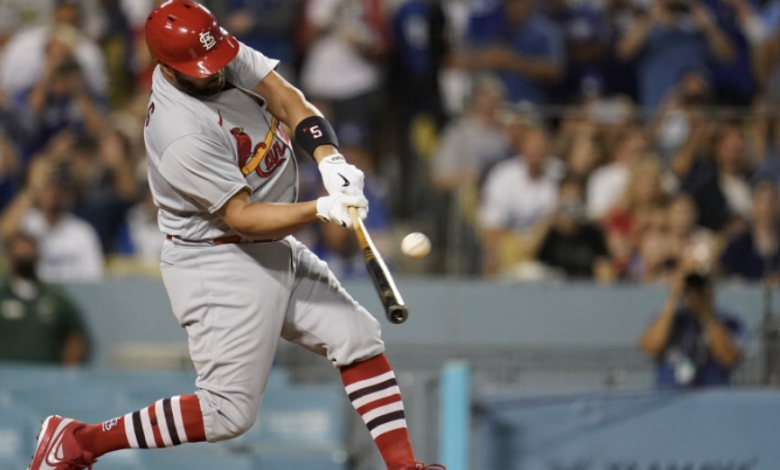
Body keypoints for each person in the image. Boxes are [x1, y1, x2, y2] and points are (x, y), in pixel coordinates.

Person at [26, 4, 443, 470]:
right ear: (166, 67)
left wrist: (330, 160)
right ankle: (80, 441)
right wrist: (320, 209)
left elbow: (287, 99)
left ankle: (403, 466)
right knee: (226, 414)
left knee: (357, 337)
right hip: (217, 261)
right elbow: (242, 217)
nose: (213, 71)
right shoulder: (178, 130)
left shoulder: (211, 51)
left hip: (269, 243)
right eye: (199, 68)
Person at [0, 153, 105, 283]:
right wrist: (31, 189)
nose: (55, 193)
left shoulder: (82, 232)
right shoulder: (25, 223)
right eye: (49, 186)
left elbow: (94, 281)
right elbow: (3, 235)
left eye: (61, 188)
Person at [640, 263, 745, 388]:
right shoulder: (668, 318)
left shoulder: (728, 320)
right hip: (669, 393)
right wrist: (673, 297)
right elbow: (650, 348)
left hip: (712, 394)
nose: (694, 290)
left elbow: (730, 359)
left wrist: (706, 314)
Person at [617, 0, 735, 110]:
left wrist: (708, 25)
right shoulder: (648, 22)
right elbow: (623, 52)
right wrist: (651, 18)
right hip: (656, 110)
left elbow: (728, 56)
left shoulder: (699, 25)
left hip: (695, 112)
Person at [478, 127, 558, 278]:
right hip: (508, 252)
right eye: (533, 147)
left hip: (543, 253)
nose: (538, 152)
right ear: (522, 148)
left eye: (541, 147)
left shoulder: (555, 180)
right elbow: (491, 228)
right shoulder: (503, 177)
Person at [0, 232, 90, 365]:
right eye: (20, 255)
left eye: (29, 254)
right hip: (6, 373)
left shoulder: (55, 297)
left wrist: (67, 370)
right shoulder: (2, 294)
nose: (25, 258)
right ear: (9, 257)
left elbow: (76, 335)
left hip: (46, 373)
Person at [455, 0, 565, 104]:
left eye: (520, 2)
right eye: (511, 2)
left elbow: (555, 71)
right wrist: (484, 58)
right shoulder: (492, 26)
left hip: (529, 105)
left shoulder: (546, 31)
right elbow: (458, 61)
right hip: (489, 105)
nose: (516, 7)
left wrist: (512, 62)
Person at [526, 177, 614, 281]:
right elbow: (528, 254)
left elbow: (605, 266)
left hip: (584, 286)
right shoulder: (549, 231)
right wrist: (550, 219)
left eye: (576, 199)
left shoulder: (591, 232)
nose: (571, 206)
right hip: (553, 286)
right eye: (567, 199)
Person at [721, 181, 780, 281]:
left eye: (771, 202)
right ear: (753, 205)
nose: (766, 208)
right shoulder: (737, 246)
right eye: (761, 202)